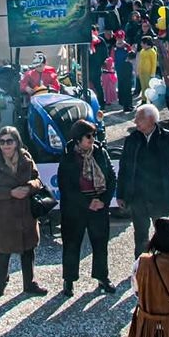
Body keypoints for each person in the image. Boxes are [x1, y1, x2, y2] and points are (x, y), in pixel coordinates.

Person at [0, 125, 47, 296]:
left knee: (28, 250)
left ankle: (29, 284)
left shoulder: (26, 158)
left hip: (25, 214)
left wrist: (29, 187)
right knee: (3, 252)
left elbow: (37, 179)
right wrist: (10, 193)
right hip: (4, 216)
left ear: (17, 142)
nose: (5, 145)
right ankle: (0, 285)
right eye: (2, 142)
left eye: (9, 141)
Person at [58, 120, 117, 297]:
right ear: (78, 139)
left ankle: (102, 277)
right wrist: (86, 203)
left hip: (98, 205)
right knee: (71, 244)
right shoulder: (68, 156)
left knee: (100, 243)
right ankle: (69, 280)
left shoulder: (100, 153)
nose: (92, 139)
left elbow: (111, 178)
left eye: (94, 135)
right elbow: (65, 186)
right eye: (88, 136)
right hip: (75, 209)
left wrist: (103, 201)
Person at [120, 104, 169, 256]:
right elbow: (124, 168)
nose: (135, 122)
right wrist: (121, 194)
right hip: (138, 196)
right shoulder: (132, 139)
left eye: (139, 119)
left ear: (151, 120)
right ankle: (141, 267)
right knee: (141, 235)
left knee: (164, 233)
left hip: (160, 195)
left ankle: (164, 265)